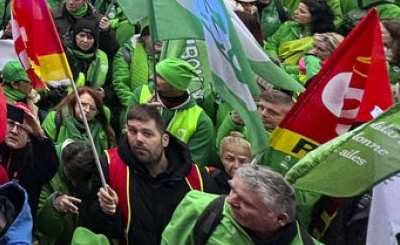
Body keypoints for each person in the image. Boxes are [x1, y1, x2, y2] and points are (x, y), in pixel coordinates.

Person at [84, 104, 214, 245]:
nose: (138, 139)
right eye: (132, 131)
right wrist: (109, 213)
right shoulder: (109, 166)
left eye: (147, 133)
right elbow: (101, 231)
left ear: (165, 140)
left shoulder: (198, 179)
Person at [162, 164, 315, 244]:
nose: (229, 200)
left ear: (280, 218)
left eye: (244, 202)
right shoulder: (199, 209)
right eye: (232, 190)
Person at [130, 58, 216, 167]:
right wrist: (142, 115)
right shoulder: (140, 93)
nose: (151, 77)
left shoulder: (201, 122)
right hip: (134, 169)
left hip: (170, 180)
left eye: (160, 76)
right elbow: (125, 136)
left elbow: (191, 167)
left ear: (175, 85)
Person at [36, 141, 102, 245]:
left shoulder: (92, 163)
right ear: (67, 173)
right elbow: (43, 228)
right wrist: (55, 206)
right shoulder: (45, 174)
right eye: (80, 182)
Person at [265, 0, 338, 74]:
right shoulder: (287, 26)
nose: (295, 12)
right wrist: (274, 57)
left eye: (302, 12)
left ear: (315, 17)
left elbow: (312, 66)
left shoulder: (323, 40)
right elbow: (272, 44)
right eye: (297, 9)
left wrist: (283, 68)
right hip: (273, 66)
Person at [42, 87, 114, 157]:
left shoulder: (101, 131)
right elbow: (44, 150)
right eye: (83, 104)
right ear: (74, 102)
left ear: (97, 113)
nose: (87, 110)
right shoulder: (56, 118)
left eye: (93, 108)